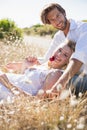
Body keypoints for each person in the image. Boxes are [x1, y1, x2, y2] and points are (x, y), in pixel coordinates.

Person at [6, 3, 87, 96]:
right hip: (69, 75)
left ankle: (35, 98)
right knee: (42, 75)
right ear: (49, 23)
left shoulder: (83, 28)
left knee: (53, 77)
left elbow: (78, 58)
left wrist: (60, 83)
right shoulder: (58, 37)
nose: (57, 21)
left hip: (84, 77)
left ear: (64, 13)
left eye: (58, 15)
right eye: (52, 20)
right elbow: (48, 59)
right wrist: (21, 65)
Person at [0, 39, 75, 100]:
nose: (59, 54)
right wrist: (25, 66)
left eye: (65, 55)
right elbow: (23, 83)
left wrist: (8, 84)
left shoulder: (56, 74)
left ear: (68, 62)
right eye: (59, 50)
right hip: (5, 85)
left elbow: (37, 101)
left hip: (7, 90)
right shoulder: (42, 66)